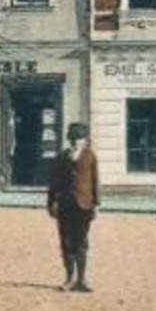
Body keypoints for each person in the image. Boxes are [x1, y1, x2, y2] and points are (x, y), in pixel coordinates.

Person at [46, 122, 99, 292]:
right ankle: (70, 278)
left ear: (85, 140)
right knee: (67, 242)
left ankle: (82, 280)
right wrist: (51, 202)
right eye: (74, 138)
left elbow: (95, 181)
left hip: (84, 205)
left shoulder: (90, 156)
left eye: (81, 138)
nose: (77, 142)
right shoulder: (62, 158)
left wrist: (96, 204)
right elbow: (54, 182)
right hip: (65, 205)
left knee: (81, 242)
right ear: (70, 140)